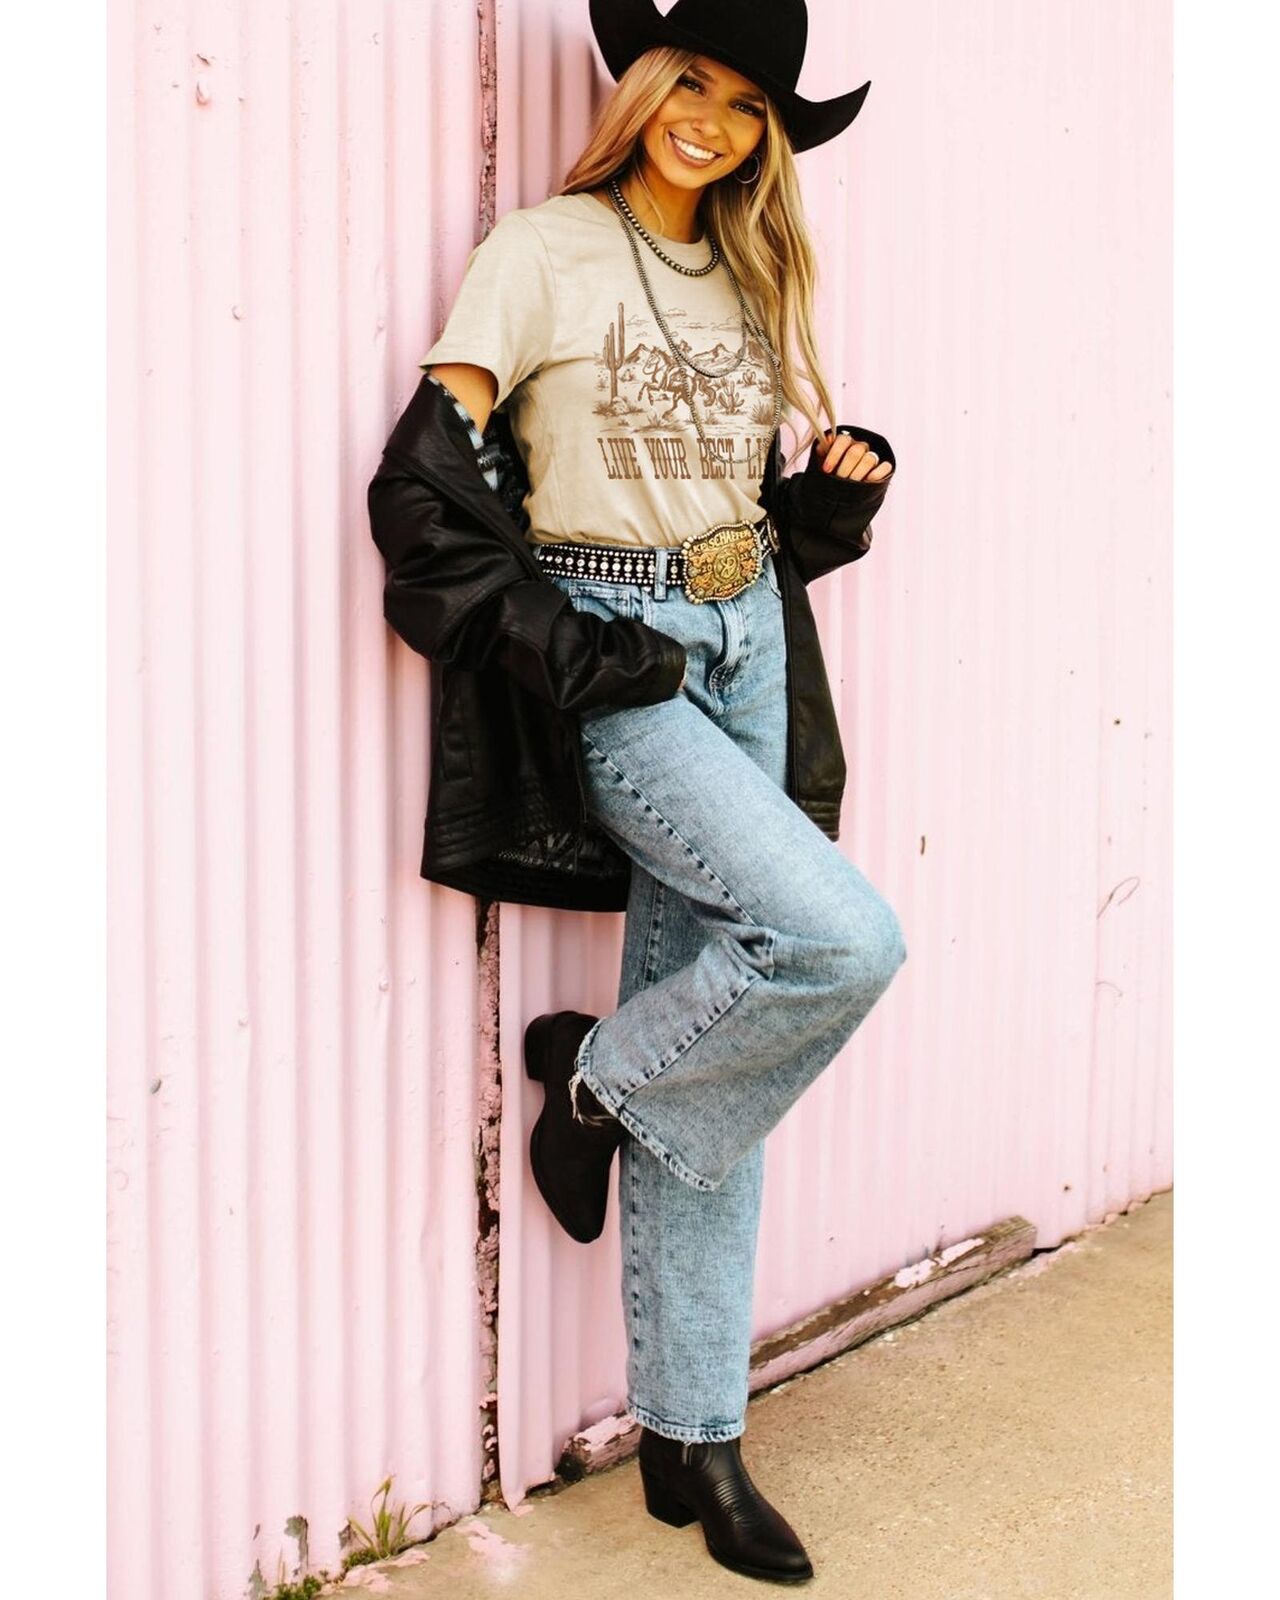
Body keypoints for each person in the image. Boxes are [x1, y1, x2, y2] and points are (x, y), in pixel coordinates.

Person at [368, 0, 905, 1584]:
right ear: (647, 82)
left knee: (723, 1072)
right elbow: (424, 496)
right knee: (836, 943)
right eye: (696, 84)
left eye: (748, 107)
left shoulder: (749, 271)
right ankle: (596, 1084)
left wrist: (820, 510)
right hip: (622, 656)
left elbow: (720, 504)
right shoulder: (541, 251)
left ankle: (695, 1439)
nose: (712, 122)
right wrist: (572, 643)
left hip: (749, 644)